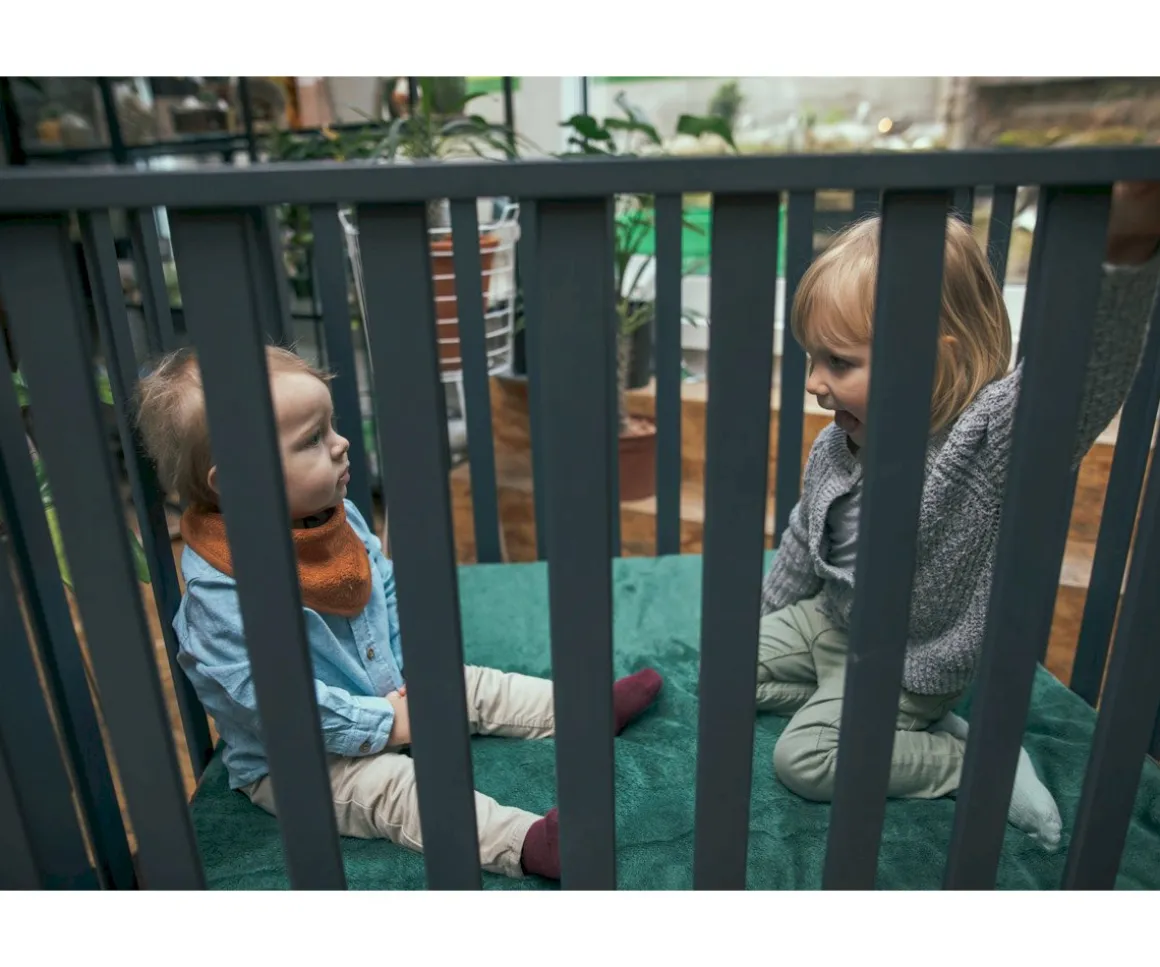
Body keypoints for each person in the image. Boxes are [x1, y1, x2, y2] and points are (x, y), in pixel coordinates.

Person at [135, 346, 663, 881]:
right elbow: (278, 706)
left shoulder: (339, 518)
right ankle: (525, 842)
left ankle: (584, 711)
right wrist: (386, 722)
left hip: (386, 691)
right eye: (312, 439)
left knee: (474, 685)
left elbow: (382, 587)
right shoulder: (221, 597)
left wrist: (412, 671)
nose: (341, 444)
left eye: (331, 426)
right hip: (301, 762)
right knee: (395, 790)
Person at [757, 182, 1160, 849]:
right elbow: (805, 537)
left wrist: (1123, 252)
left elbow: (1079, 378)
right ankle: (854, 709)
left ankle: (977, 762)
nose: (814, 383)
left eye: (839, 362)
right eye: (811, 357)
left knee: (805, 759)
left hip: (905, 661)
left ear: (933, 356)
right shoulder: (838, 443)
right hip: (831, 622)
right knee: (726, 664)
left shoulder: (989, 440)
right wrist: (767, 617)